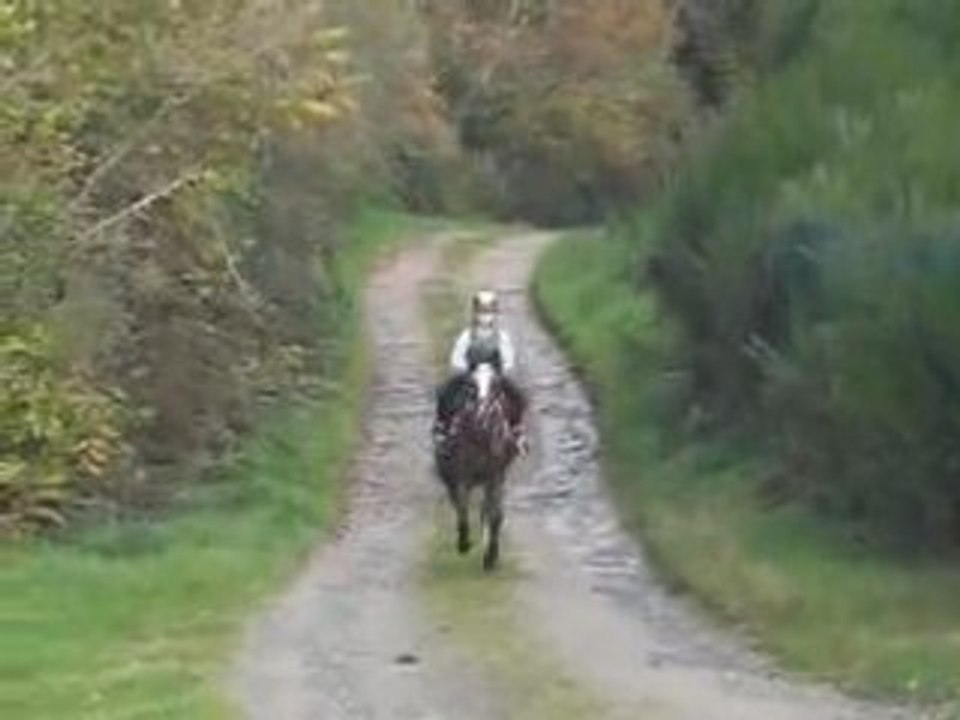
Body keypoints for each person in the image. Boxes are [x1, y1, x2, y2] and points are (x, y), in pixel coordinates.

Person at [433, 289, 527, 453]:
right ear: (475, 313)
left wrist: (501, 372)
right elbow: (457, 357)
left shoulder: (501, 337)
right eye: (482, 312)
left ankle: (517, 431)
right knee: (445, 391)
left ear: (494, 313)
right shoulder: (467, 335)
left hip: (495, 377)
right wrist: (464, 371)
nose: (485, 316)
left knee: (518, 395)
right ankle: (443, 428)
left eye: (489, 311)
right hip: (471, 376)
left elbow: (508, 359)